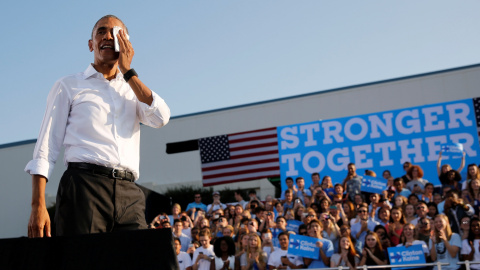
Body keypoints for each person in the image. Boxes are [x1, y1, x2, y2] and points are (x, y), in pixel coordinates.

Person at [25, 14, 171, 237]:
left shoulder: (133, 90)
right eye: (101, 31)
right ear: (90, 44)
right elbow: (46, 147)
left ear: (126, 43)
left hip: (130, 194)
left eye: (115, 33)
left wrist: (128, 71)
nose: (107, 37)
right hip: (84, 188)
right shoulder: (69, 85)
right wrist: (38, 205)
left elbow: (161, 117)